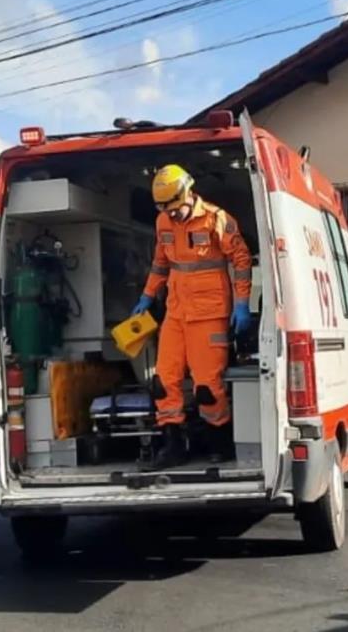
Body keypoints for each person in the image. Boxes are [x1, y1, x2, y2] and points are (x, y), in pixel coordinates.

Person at [132, 164, 252, 469]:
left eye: (174, 210)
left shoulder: (216, 219)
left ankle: (219, 443)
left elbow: (240, 259)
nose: (171, 216)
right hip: (176, 313)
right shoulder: (163, 222)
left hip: (210, 314)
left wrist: (242, 303)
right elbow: (161, 263)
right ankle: (173, 446)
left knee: (206, 387)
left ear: (187, 195)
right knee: (163, 380)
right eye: (165, 211)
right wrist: (147, 295)